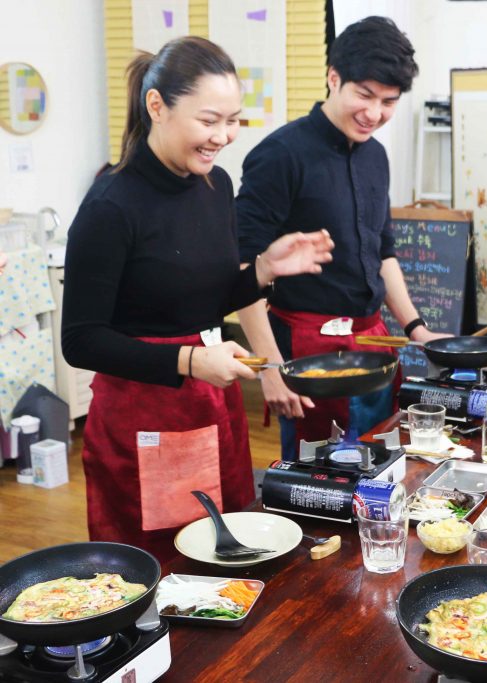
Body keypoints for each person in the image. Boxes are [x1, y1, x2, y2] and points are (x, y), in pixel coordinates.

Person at [62, 37, 333, 561]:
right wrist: (189, 360)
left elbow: (204, 301)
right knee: (165, 565)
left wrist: (264, 268)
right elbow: (82, 341)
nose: (223, 137)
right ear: (157, 106)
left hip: (210, 400)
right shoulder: (111, 206)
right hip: (142, 413)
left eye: (234, 121)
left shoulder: (215, 186)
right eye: (209, 121)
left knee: (225, 549)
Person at [236, 16, 447, 458]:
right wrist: (271, 368)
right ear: (334, 78)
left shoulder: (376, 157)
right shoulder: (280, 155)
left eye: (389, 101)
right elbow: (242, 268)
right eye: (364, 95)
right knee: (319, 480)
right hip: (308, 350)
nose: (375, 113)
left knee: (381, 463)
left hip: (372, 343)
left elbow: (383, 252)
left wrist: (417, 328)